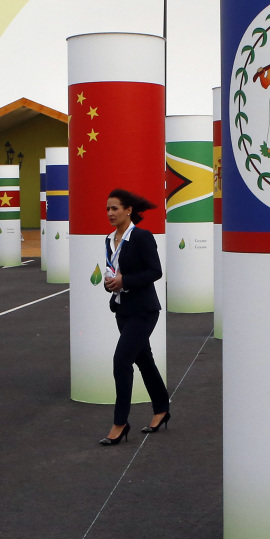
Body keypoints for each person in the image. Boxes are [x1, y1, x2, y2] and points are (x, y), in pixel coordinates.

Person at [99, 189, 170, 445]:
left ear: (128, 210)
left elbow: (155, 271)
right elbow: (113, 270)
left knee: (121, 361)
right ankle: (162, 408)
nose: (110, 213)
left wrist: (125, 280)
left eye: (115, 208)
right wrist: (112, 283)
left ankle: (120, 423)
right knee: (144, 361)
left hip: (144, 310)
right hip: (122, 309)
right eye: (107, 209)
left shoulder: (141, 237)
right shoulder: (109, 239)